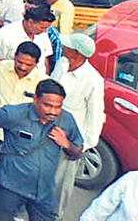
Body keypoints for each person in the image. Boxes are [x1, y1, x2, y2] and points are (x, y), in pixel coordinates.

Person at [0, 79, 83, 221]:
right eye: (47, 105)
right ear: (35, 99)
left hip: (43, 192)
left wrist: (66, 143)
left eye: (58, 107)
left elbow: (77, 152)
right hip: (10, 187)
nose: (53, 111)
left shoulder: (66, 119)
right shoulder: (15, 114)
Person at [0, 41, 48, 205]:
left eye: (28, 64)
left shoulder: (42, 82)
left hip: (21, 137)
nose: (22, 67)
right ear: (14, 57)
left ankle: (13, 204)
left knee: (17, 171)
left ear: (36, 64)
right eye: (19, 62)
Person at [51, 33, 106, 214]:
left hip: (69, 139)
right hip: (47, 129)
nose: (64, 47)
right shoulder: (62, 64)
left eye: (68, 46)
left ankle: (54, 216)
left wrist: (82, 147)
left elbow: (95, 115)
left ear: (77, 53)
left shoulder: (93, 80)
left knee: (61, 182)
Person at [0, 2, 55, 73]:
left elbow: (45, 60)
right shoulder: (4, 35)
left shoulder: (42, 34)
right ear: (30, 22)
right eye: (42, 27)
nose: (45, 31)